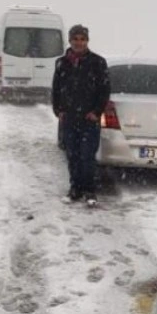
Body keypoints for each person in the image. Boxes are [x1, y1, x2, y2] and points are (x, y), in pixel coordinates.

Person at [51, 24, 110, 207]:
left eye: (82, 39)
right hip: (69, 119)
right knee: (73, 155)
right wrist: (58, 110)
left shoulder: (98, 62)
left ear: (87, 41)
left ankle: (90, 191)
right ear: (70, 40)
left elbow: (104, 90)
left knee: (87, 156)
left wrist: (96, 112)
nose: (79, 42)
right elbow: (55, 89)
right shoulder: (62, 63)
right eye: (75, 39)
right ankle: (75, 189)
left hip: (89, 120)